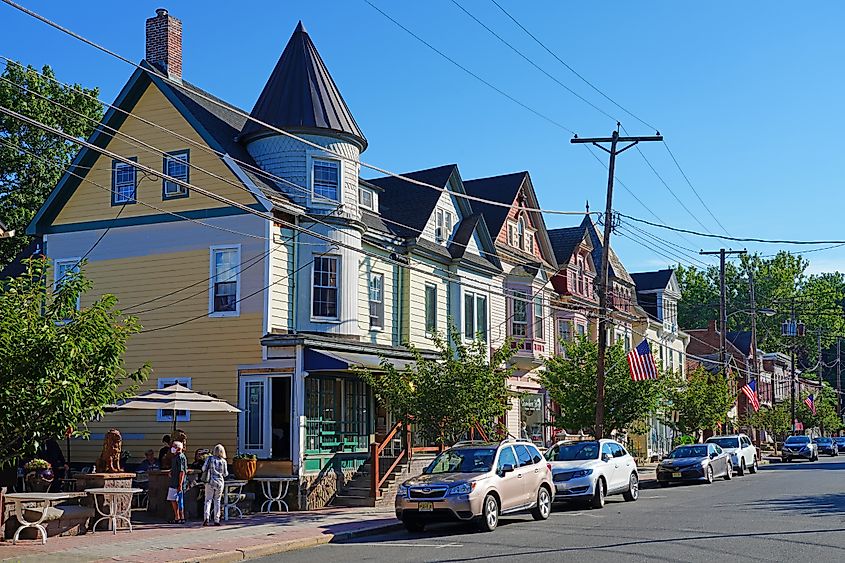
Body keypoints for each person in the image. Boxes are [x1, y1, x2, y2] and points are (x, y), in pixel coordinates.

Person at [202, 444, 229, 526]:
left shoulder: (209, 459)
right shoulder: (223, 461)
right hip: (220, 482)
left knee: (208, 500)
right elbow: (225, 474)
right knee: (217, 501)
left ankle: (206, 517)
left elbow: (203, 468)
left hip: (210, 481)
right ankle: (216, 519)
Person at [166, 440, 187, 524]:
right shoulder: (174, 457)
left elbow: (182, 472)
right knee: (172, 499)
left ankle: (181, 517)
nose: (172, 448)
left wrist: (180, 484)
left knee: (179, 500)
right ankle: (177, 516)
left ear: (178, 448)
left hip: (177, 483)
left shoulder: (181, 457)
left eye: (174, 447)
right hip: (173, 481)